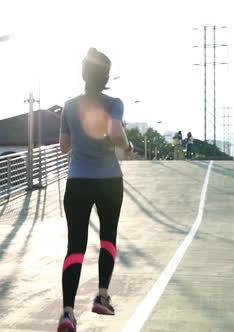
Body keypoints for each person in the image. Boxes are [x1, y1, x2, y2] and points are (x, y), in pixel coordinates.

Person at [57, 48, 132, 332]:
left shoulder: (69, 105)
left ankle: (67, 313)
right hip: (109, 180)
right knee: (108, 239)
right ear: (106, 77)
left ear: (83, 75)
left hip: (77, 181)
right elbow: (115, 133)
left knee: (74, 245)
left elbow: (64, 146)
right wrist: (127, 145)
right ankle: (102, 296)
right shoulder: (115, 103)